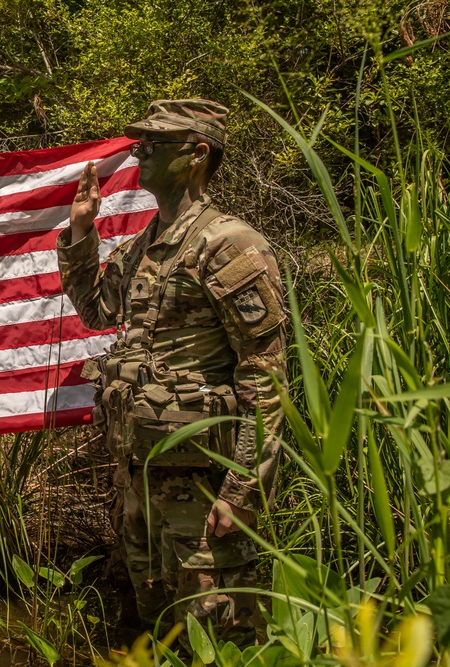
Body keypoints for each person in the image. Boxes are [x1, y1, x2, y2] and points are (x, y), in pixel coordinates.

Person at [57, 99, 288, 644]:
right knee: (158, 632)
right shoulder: (148, 245)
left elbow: (266, 378)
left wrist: (242, 491)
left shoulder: (228, 243)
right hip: (142, 481)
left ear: (197, 155)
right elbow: (98, 309)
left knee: (219, 638)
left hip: (204, 486)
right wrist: (82, 230)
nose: (140, 152)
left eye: (155, 145)